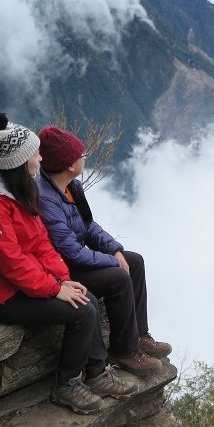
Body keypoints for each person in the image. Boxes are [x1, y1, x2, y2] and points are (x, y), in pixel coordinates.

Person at [0, 111, 137, 415]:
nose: (41, 159)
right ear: (20, 160)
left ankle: (96, 374)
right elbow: (11, 263)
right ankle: (66, 384)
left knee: (84, 297)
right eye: (35, 153)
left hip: (22, 281)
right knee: (82, 310)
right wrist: (54, 288)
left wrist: (63, 279)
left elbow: (40, 242)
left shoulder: (16, 191)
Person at [36, 126, 171, 377]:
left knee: (134, 261)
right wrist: (111, 261)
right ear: (69, 165)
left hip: (76, 259)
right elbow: (72, 252)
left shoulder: (71, 187)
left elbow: (88, 225)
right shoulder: (46, 200)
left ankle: (139, 335)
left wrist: (115, 250)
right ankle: (124, 350)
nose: (84, 157)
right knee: (118, 277)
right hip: (63, 271)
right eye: (80, 154)